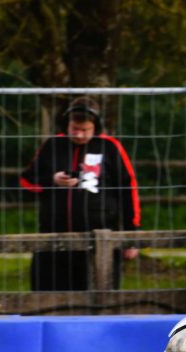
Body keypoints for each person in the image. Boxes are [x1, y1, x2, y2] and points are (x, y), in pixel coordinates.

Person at [19, 97, 140, 290]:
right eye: (74, 129)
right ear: (66, 124)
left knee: (99, 296)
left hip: (99, 240)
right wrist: (52, 181)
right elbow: (26, 181)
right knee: (47, 295)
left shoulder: (110, 147)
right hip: (53, 238)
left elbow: (128, 190)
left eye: (85, 130)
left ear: (95, 127)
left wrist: (131, 235)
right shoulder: (52, 145)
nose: (79, 134)